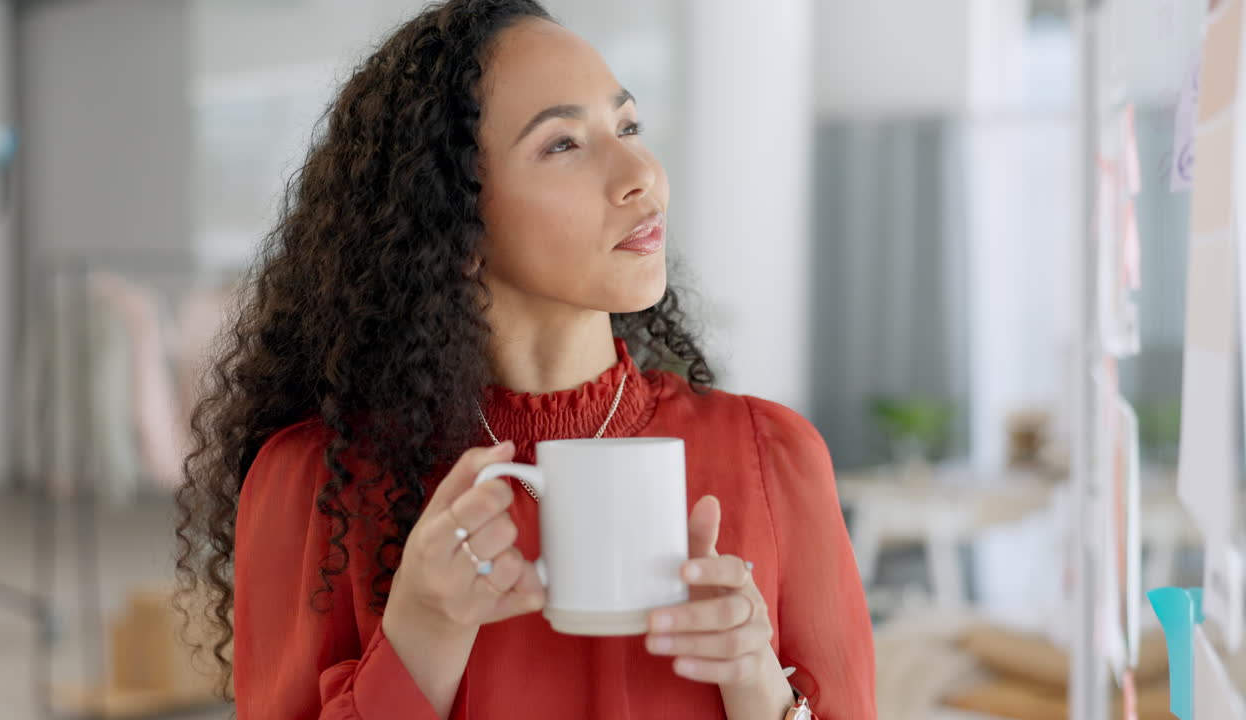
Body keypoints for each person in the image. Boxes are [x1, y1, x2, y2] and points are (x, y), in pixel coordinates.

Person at [173, 1, 875, 718]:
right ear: (454, 220)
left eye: (628, 126)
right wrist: (421, 634)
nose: (640, 174)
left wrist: (757, 682)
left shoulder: (772, 457)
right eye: (563, 144)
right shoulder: (317, 482)